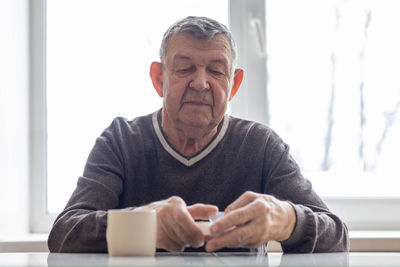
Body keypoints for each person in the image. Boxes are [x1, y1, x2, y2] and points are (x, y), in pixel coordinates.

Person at [48, 16, 349, 253]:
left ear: (234, 84)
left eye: (217, 71)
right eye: (184, 69)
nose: (201, 83)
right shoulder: (121, 141)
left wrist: (287, 220)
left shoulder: (260, 146)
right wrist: (143, 225)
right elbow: (64, 234)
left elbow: (336, 235)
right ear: (159, 79)